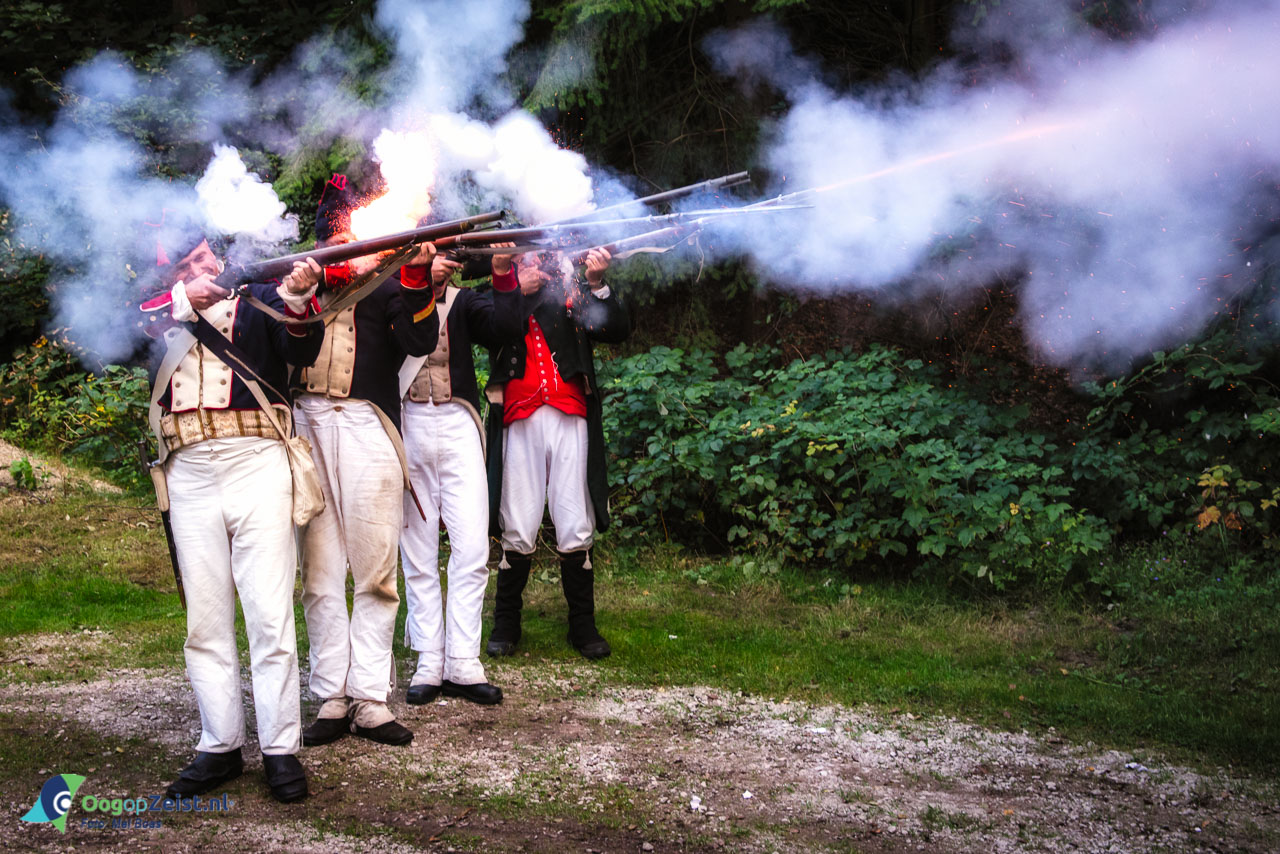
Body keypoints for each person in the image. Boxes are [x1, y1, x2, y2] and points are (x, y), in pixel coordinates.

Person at [139, 218, 324, 803]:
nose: (198, 272)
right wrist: (178, 302)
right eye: (184, 267)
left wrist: (299, 296)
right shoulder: (156, 312)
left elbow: (305, 344)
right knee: (207, 619)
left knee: (269, 616)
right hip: (187, 469)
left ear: (217, 257)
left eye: (201, 260)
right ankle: (219, 744)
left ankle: (279, 749)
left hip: (256, 459)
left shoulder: (260, 299)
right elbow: (109, 338)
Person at [295, 174, 439, 748]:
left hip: (366, 423)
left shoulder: (388, 283)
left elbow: (419, 341)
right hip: (305, 423)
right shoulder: (303, 282)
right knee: (321, 571)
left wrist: (416, 277)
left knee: (376, 567)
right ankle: (331, 693)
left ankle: (371, 697)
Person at [483, 247, 631, 660]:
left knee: (574, 519)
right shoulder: (501, 289)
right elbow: (490, 328)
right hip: (520, 414)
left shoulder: (573, 287)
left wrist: (596, 282)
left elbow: (616, 328)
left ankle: (582, 627)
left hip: (570, 411)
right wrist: (517, 286)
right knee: (517, 519)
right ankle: (506, 622)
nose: (540, 260)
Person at [397, 245, 523, 706]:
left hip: (457, 421)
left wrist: (502, 271)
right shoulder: (395, 295)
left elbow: (508, 329)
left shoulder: (466, 301)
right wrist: (418, 280)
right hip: (408, 421)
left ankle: (463, 660)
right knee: (418, 550)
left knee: (471, 547)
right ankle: (429, 657)